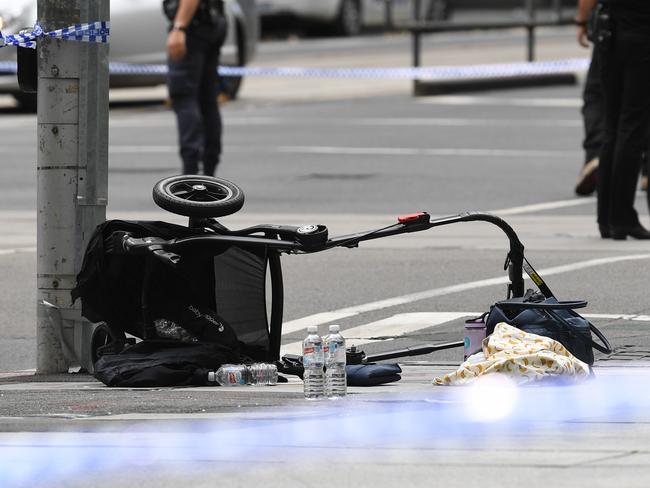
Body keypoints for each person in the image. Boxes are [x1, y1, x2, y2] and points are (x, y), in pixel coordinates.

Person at [575, 0, 650, 239]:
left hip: (608, 37)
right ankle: (623, 218)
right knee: (632, 127)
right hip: (641, 36)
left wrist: (582, 20)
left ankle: (606, 219)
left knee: (612, 126)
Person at [166, 0, 227, 176]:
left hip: (194, 24)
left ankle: (191, 172)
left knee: (184, 97)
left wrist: (179, 27)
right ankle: (208, 172)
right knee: (207, 99)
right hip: (211, 20)